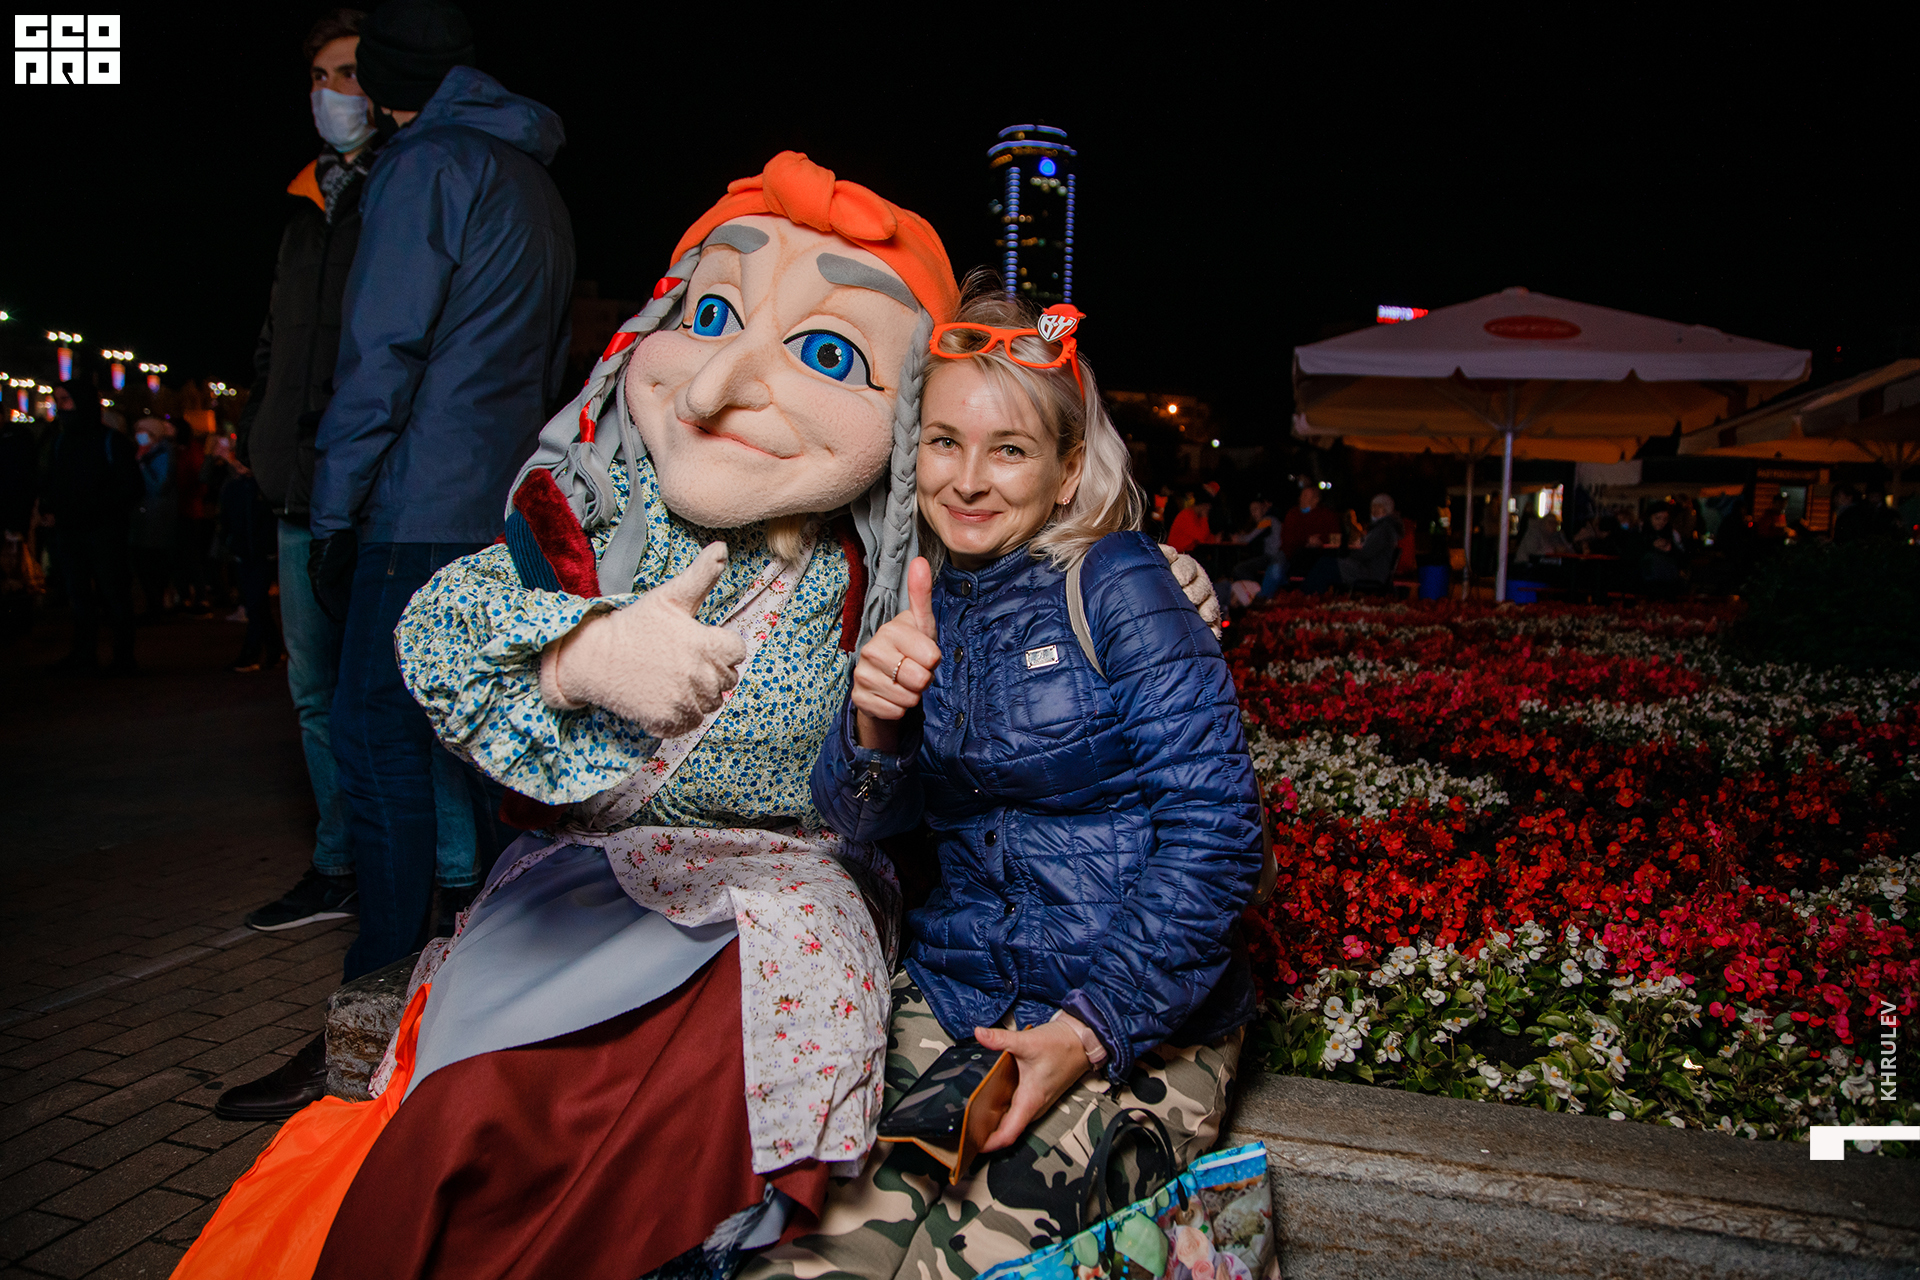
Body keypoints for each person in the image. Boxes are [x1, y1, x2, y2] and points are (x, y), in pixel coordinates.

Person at [176, 152, 1219, 1280]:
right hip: (592, 883)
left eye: (830, 354)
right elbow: (442, 629)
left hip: (789, 898)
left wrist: (1142, 581)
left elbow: (1017, 553)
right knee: (492, 1105)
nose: (722, 382)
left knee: (718, 1085)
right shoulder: (596, 510)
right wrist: (578, 653)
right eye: (711, 316)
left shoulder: (892, 555)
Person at [751, 289, 1260, 1280]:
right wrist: (876, 721)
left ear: (1069, 470)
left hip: (1133, 1017)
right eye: (945, 442)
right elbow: (857, 823)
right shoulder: (917, 593)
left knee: (964, 1268)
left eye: (1011, 449)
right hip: (958, 1000)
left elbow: (1218, 832)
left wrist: (1089, 1029)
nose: (970, 479)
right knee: (802, 1265)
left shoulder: (1118, 581)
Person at [306, 0, 572, 986]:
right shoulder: (532, 176)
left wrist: (334, 512)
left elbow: (382, 355)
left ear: (384, 82)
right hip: (502, 507)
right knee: (491, 740)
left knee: (375, 737)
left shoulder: (424, 166)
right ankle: (507, 963)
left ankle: (384, 974)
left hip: (418, 504)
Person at [41, 381, 141, 672]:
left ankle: (123, 656)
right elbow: (54, 480)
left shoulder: (111, 441)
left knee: (113, 593)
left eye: (66, 400)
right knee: (79, 594)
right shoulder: (61, 442)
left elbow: (132, 486)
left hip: (104, 531)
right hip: (72, 530)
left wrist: (98, 508)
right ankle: (84, 653)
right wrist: (51, 507)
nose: (61, 407)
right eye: (58, 400)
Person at [1302, 492, 1401, 594]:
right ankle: (1313, 595)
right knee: (1327, 565)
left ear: (1387, 509)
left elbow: (1365, 553)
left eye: (1379, 506)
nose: (1374, 510)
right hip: (1371, 570)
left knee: (1326, 565)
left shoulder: (1383, 529)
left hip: (1370, 572)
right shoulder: (1384, 527)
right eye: (1373, 506)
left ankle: (1308, 596)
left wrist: (1348, 554)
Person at [129, 417, 178, 617]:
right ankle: (154, 604)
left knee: (152, 562)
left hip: (157, 515)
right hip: (147, 514)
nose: (139, 435)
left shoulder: (162, 454)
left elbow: (159, 485)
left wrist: (141, 466)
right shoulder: (149, 453)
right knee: (146, 561)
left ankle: (156, 606)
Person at [1224, 494, 1284, 599]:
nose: (1253, 513)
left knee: (1239, 569)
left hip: (1273, 557)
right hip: (1271, 557)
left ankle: (1256, 594)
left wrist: (1237, 538)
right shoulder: (1272, 519)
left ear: (1264, 508)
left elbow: (1249, 538)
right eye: (1251, 510)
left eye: (1256, 509)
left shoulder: (1268, 520)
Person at [1280, 480, 1340, 584]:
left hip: (1320, 557)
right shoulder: (1293, 514)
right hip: (1293, 556)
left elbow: (1335, 540)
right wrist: (1306, 540)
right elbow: (1287, 538)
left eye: (1306, 496)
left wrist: (1321, 543)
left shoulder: (1328, 516)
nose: (1301, 499)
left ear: (1316, 499)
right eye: (1302, 495)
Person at [1165, 487, 1212, 553]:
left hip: (1186, 552)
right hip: (1178, 554)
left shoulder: (1195, 516)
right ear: (1205, 506)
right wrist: (1205, 517)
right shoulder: (1187, 515)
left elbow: (1207, 539)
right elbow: (1202, 537)